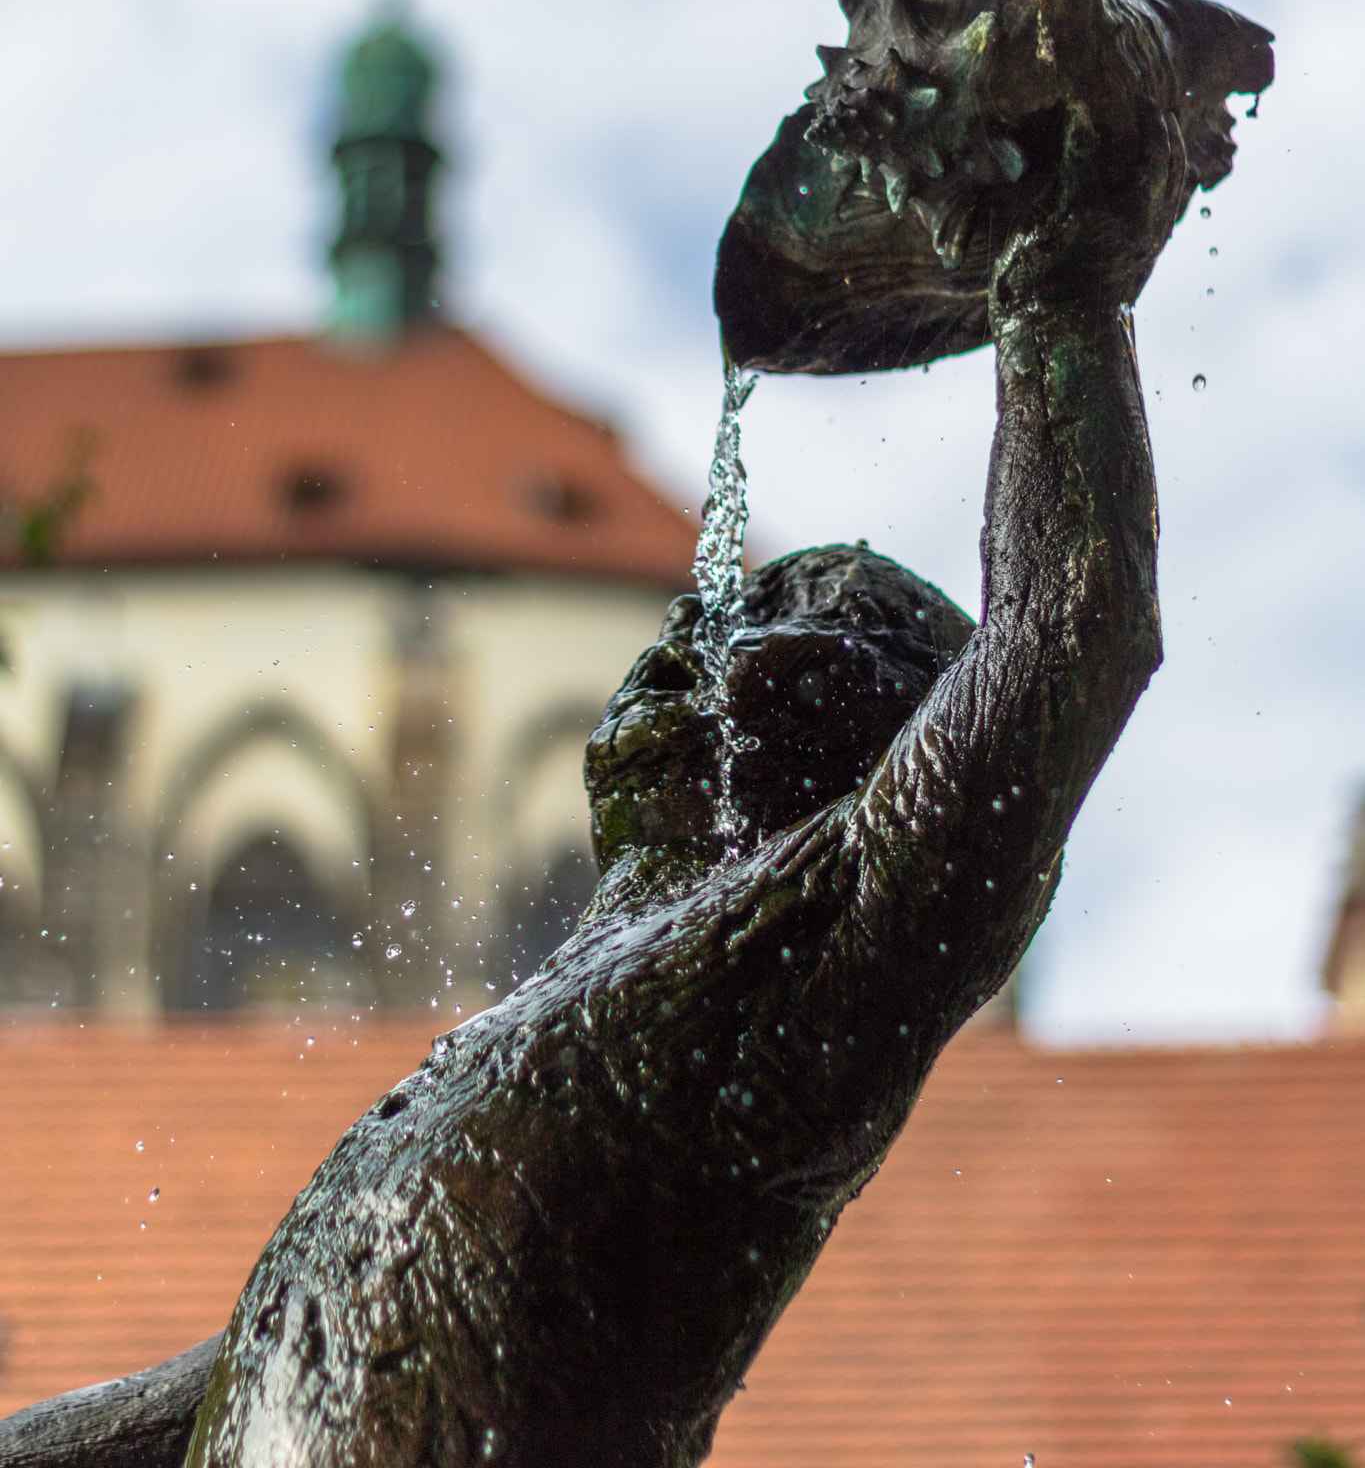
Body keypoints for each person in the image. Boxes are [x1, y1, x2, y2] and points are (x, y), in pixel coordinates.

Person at [177, 87, 1174, 1468]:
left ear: (862, 760)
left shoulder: (808, 965)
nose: (679, 655)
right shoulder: (496, 1051)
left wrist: (1057, 283)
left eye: (770, 625)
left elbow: (1075, 635)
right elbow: (244, 1362)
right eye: (699, 622)